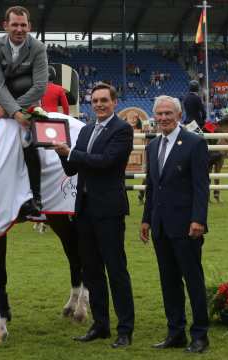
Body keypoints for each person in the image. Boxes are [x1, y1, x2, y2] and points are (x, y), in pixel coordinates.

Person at [54, 83, 135, 349]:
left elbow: (106, 162)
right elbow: (73, 168)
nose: (99, 104)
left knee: (116, 270)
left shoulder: (122, 130)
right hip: (85, 209)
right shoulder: (87, 129)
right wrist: (61, 153)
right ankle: (100, 325)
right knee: (91, 271)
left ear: (114, 102)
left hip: (109, 210)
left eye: (104, 100)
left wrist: (73, 153)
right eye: (95, 100)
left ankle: (125, 329)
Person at [140, 96, 210, 353]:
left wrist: (198, 219)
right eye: (159, 114)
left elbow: (201, 187)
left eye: (168, 113)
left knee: (193, 281)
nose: (163, 118)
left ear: (178, 115)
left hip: (187, 226)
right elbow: (152, 187)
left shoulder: (195, 143)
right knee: (169, 282)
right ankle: (175, 332)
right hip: (160, 226)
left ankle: (200, 335)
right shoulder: (153, 145)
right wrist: (146, 219)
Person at [0, 5, 48, 216]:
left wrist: (16, 111)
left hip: (28, 101)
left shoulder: (38, 47)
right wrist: (12, 112)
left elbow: (40, 86)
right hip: (0, 99)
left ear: (29, 26)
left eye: (23, 25)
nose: (19, 29)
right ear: (6, 26)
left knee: (29, 143)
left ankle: (36, 198)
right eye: (15, 25)